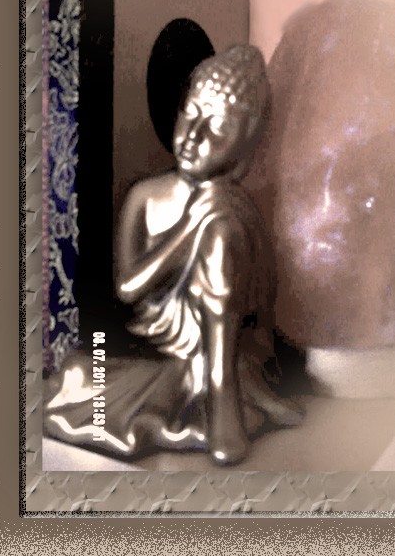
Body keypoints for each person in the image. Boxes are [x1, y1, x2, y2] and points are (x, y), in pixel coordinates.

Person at [44, 45, 302, 466]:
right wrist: (190, 226)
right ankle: (211, 392)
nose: (193, 136)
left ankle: (221, 391)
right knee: (84, 368)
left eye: (218, 127)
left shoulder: (240, 213)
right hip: (155, 350)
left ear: (246, 144)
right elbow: (128, 289)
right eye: (190, 113)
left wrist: (210, 220)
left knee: (222, 227)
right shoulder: (145, 196)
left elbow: (260, 309)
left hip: (230, 356)